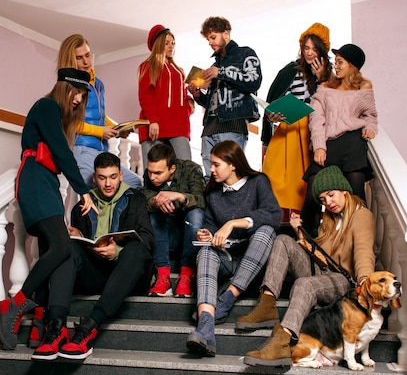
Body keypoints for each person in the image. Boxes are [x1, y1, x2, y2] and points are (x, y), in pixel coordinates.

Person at [0, 68, 96, 351]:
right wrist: (83, 190)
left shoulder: (56, 114)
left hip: (47, 183)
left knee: (55, 251)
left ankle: (42, 319)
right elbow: (62, 154)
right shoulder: (47, 105)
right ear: (64, 88)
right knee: (62, 247)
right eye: (75, 93)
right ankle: (13, 306)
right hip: (36, 181)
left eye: (83, 96)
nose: (77, 99)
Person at [238, 165, 376, 367]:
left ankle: (284, 340)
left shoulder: (361, 215)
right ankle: (267, 303)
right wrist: (300, 234)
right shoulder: (329, 220)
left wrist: (366, 283)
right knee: (283, 239)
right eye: (323, 199)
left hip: (344, 281)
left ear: (344, 191)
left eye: (331, 195)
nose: (328, 202)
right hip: (323, 273)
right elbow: (320, 255)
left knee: (304, 284)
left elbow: (364, 252)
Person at [33, 152, 155, 360]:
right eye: (102, 177)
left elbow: (148, 240)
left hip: (128, 274)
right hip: (96, 274)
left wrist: (117, 251)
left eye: (113, 177)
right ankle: (56, 327)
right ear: (94, 178)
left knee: (136, 249)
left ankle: (89, 326)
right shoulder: (82, 204)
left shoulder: (136, 199)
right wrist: (78, 237)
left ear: (121, 176)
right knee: (67, 247)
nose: (108, 183)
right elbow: (81, 244)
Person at [186, 140, 281, 357]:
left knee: (265, 231)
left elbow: (273, 215)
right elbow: (210, 224)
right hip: (227, 259)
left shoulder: (258, 182)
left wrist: (233, 223)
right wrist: (207, 233)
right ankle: (207, 327)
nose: (211, 169)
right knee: (206, 250)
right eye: (211, 164)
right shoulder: (213, 192)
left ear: (233, 165)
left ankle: (228, 297)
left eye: (216, 164)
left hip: (254, 264)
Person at [301, 43, 378, 234]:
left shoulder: (363, 86)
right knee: (313, 190)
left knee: (356, 195)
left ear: (352, 65)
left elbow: (370, 115)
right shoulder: (325, 87)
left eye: (340, 62)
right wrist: (319, 146)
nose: (336, 66)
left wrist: (370, 128)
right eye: (336, 62)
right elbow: (317, 119)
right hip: (328, 144)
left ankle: (361, 238)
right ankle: (307, 238)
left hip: (353, 143)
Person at [261, 23, 333, 226]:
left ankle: (307, 222)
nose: (309, 53)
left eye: (314, 48)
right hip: (289, 129)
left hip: (314, 132)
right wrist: (272, 116)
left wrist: (321, 79)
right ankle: (278, 220)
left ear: (322, 50)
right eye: (306, 48)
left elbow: (333, 104)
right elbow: (272, 102)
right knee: (277, 177)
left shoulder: (330, 75)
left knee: (307, 181)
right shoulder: (290, 70)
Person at [57, 33, 143, 189]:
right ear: (70, 59)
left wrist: (117, 128)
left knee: (136, 183)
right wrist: (100, 131)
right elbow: (68, 121)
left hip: (101, 150)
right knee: (95, 190)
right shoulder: (67, 86)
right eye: (79, 57)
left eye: (88, 55)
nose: (86, 61)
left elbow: (98, 115)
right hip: (82, 148)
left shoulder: (98, 84)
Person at [187, 16, 262, 180]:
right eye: (208, 39)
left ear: (226, 33)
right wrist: (198, 95)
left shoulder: (245, 53)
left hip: (232, 125)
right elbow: (215, 103)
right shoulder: (216, 62)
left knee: (232, 176)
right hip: (209, 127)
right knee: (209, 178)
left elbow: (254, 81)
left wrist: (220, 72)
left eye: (213, 37)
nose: (210, 42)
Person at [142, 143, 205, 298]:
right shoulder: (149, 176)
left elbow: (202, 200)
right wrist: (156, 202)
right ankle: (163, 276)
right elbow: (146, 198)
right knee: (154, 212)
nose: (152, 177)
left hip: (188, 236)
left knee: (196, 212)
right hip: (164, 236)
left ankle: (186, 276)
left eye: (157, 173)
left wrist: (178, 196)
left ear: (172, 168)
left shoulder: (191, 169)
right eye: (150, 172)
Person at [137, 25, 194, 168]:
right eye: (166, 43)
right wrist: (153, 121)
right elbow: (145, 95)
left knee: (186, 169)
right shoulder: (148, 66)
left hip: (178, 124)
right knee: (152, 172)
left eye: (173, 43)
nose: (171, 46)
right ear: (158, 44)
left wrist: (189, 103)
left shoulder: (179, 70)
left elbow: (183, 92)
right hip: (154, 125)